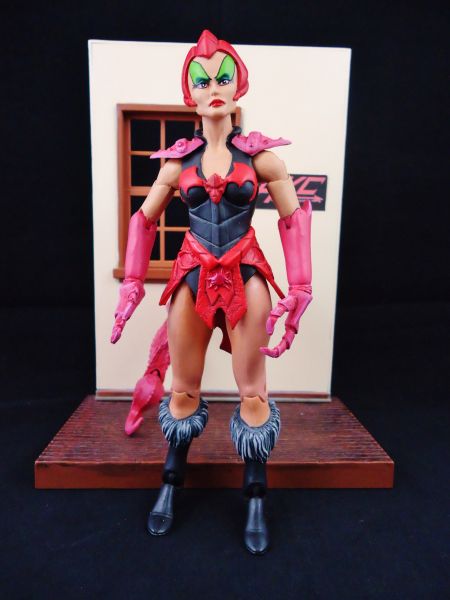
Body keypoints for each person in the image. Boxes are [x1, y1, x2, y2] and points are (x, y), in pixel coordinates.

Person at [110, 30, 312, 555]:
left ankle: (256, 497)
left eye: (223, 77)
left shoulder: (262, 159)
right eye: (202, 81)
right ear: (190, 94)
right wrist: (132, 283)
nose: (214, 88)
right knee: (183, 389)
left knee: (253, 393)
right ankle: (171, 483)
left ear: (238, 84)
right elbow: (143, 219)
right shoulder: (177, 163)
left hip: (246, 274)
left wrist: (301, 288)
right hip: (192, 275)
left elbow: (294, 219)